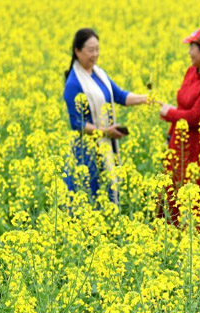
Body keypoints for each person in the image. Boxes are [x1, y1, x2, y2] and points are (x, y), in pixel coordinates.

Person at [63, 28, 148, 206]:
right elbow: (76, 123)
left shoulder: (98, 74)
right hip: (86, 151)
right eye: (90, 50)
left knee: (107, 193)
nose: (95, 54)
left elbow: (119, 95)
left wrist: (145, 99)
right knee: (89, 196)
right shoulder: (73, 83)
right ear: (77, 51)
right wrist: (104, 132)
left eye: (97, 49)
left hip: (105, 144)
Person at [158, 27, 200, 233]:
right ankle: (167, 237)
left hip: (196, 147)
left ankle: (199, 240)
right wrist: (171, 121)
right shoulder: (191, 72)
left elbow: (196, 117)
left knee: (194, 193)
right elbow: (184, 106)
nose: (189, 52)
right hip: (177, 141)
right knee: (170, 190)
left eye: (192, 48)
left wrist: (170, 113)